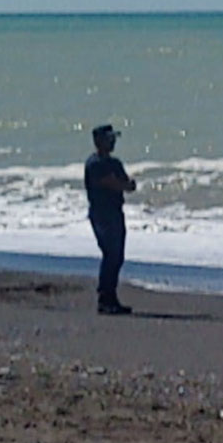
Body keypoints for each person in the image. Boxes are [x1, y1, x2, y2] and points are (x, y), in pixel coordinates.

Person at [84, 124, 137, 315]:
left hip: (115, 212)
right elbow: (113, 183)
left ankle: (110, 297)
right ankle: (104, 299)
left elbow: (128, 185)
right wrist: (122, 184)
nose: (112, 142)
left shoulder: (115, 163)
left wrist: (124, 184)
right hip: (101, 214)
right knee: (111, 255)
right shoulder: (95, 163)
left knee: (117, 256)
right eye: (109, 139)